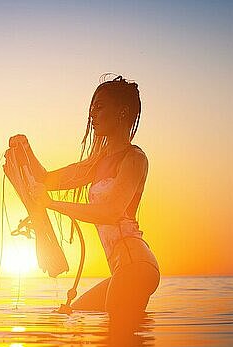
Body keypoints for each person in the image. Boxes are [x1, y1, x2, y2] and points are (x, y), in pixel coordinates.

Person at [15, 74, 160, 317]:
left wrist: (51, 204)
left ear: (122, 112)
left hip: (136, 266)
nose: (92, 114)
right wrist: (24, 148)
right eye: (92, 107)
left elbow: (110, 212)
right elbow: (45, 179)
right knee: (71, 313)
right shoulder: (96, 164)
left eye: (100, 107)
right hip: (122, 269)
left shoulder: (135, 158)